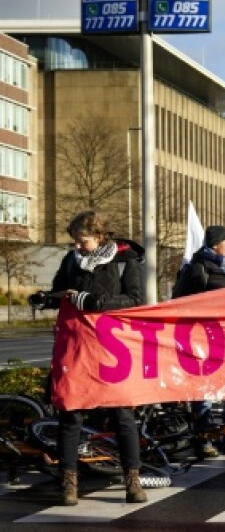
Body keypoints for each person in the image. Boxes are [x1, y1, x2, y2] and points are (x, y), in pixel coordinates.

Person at [29, 211, 147, 505]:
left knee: (122, 414)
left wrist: (97, 303)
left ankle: (132, 480)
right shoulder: (72, 260)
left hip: (112, 347)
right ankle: (69, 483)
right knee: (71, 411)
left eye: (82, 241)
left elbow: (134, 299)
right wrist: (45, 298)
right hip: (78, 345)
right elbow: (60, 291)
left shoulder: (125, 259)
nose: (77, 247)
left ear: (100, 236)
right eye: (75, 242)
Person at [173, 225, 225, 458]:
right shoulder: (197, 269)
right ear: (216, 244)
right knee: (205, 389)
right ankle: (205, 438)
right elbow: (179, 300)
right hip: (202, 337)